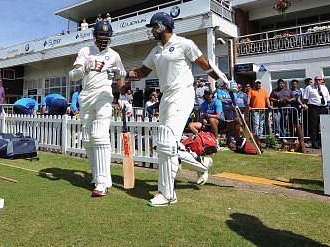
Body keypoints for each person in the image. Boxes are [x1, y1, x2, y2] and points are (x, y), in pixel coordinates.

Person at [126, 12, 229, 206]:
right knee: (165, 143)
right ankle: (201, 164)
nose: (151, 31)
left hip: (183, 95)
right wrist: (122, 73)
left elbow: (204, 64)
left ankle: (167, 194)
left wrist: (223, 81)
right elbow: (141, 72)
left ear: (162, 26)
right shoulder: (156, 51)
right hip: (166, 98)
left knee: (166, 143)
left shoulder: (184, 43)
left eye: (153, 27)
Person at [69, 20, 126, 197]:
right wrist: (85, 68)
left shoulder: (114, 55)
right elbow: (72, 76)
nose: (103, 40)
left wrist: (122, 96)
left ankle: (102, 182)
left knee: (100, 135)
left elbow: (121, 75)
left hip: (104, 96)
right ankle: (96, 176)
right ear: (94, 36)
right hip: (86, 96)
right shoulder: (85, 51)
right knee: (87, 139)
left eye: (106, 37)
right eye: (100, 36)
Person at [302, 75, 330, 149]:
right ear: (314, 80)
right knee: (314, 126)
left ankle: (323, 142)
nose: (318, 81)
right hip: (314, 107)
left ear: (322, 80)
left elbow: (328, 99)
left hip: (323, 107)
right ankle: (314, 142)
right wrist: (305, 105)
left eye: (319, 80)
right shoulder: (309, 87)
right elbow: (305, 99)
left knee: (324, 125)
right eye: (316, 80)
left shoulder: (324, 88)